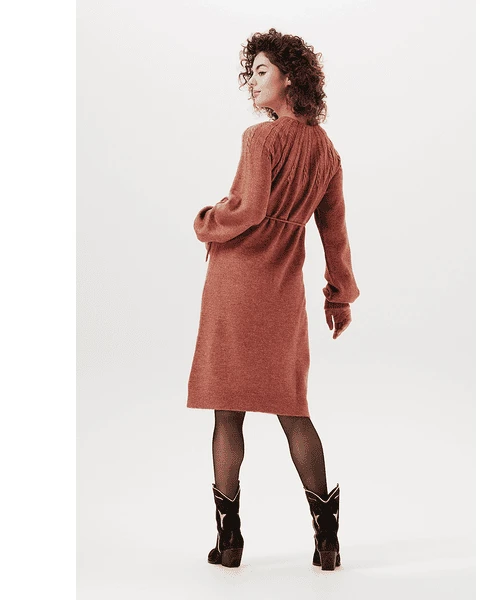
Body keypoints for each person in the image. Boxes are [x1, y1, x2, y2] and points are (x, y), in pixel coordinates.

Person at [187, 28, 360, 570]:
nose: (253, 82)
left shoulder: (261, 139)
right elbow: (334, 233)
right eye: (252, 73)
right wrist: (339, 296)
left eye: (262, 71)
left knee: (228, 410)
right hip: (283, 289)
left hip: (238, 283)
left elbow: (248, 210)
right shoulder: (327, 152)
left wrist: (207, 220)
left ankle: (229, 540)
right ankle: (327, 539)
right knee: (292, 409)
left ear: (290, 78)